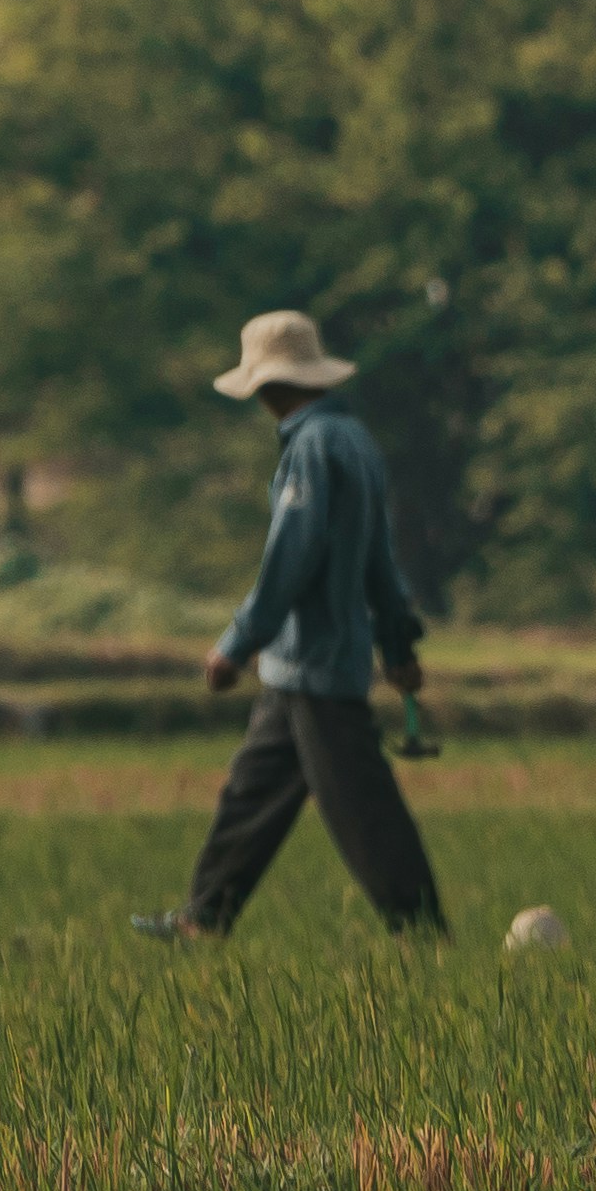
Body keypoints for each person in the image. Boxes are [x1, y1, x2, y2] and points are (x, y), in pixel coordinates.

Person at [139, 306, 446, 940]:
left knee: (364, 808)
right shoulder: (355, 440)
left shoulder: (310, 448)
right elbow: (381, 559)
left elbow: (289, 562)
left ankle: (421, 931)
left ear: (269, 386)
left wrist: (235, 644)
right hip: (302, 667)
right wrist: (397, 642)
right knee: (251, 794)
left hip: (315, 661)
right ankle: (204, 918)